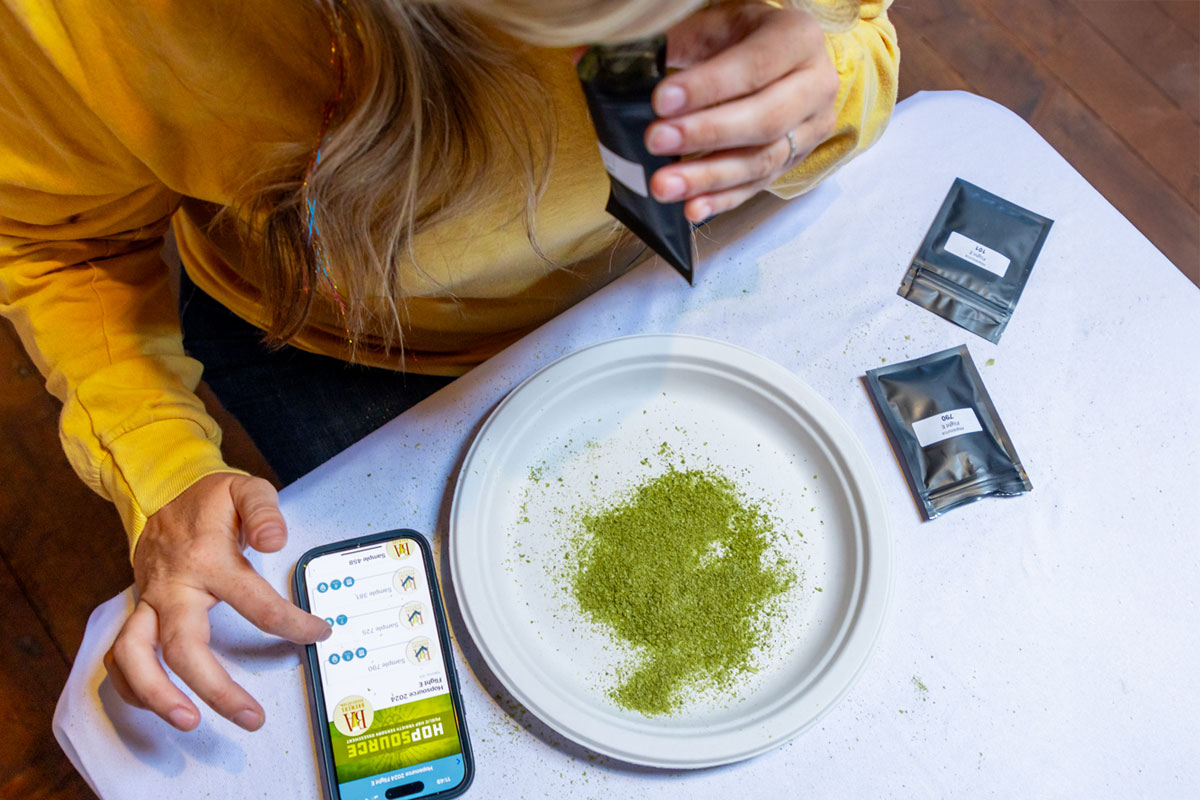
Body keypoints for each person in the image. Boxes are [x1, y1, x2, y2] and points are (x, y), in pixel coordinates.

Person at [0, 0, 898, 734]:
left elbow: (863, 35)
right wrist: (160, 465)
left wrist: (821, 90)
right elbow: (52, 245)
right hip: (333, 348)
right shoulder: (96, 26)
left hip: (636, 276)